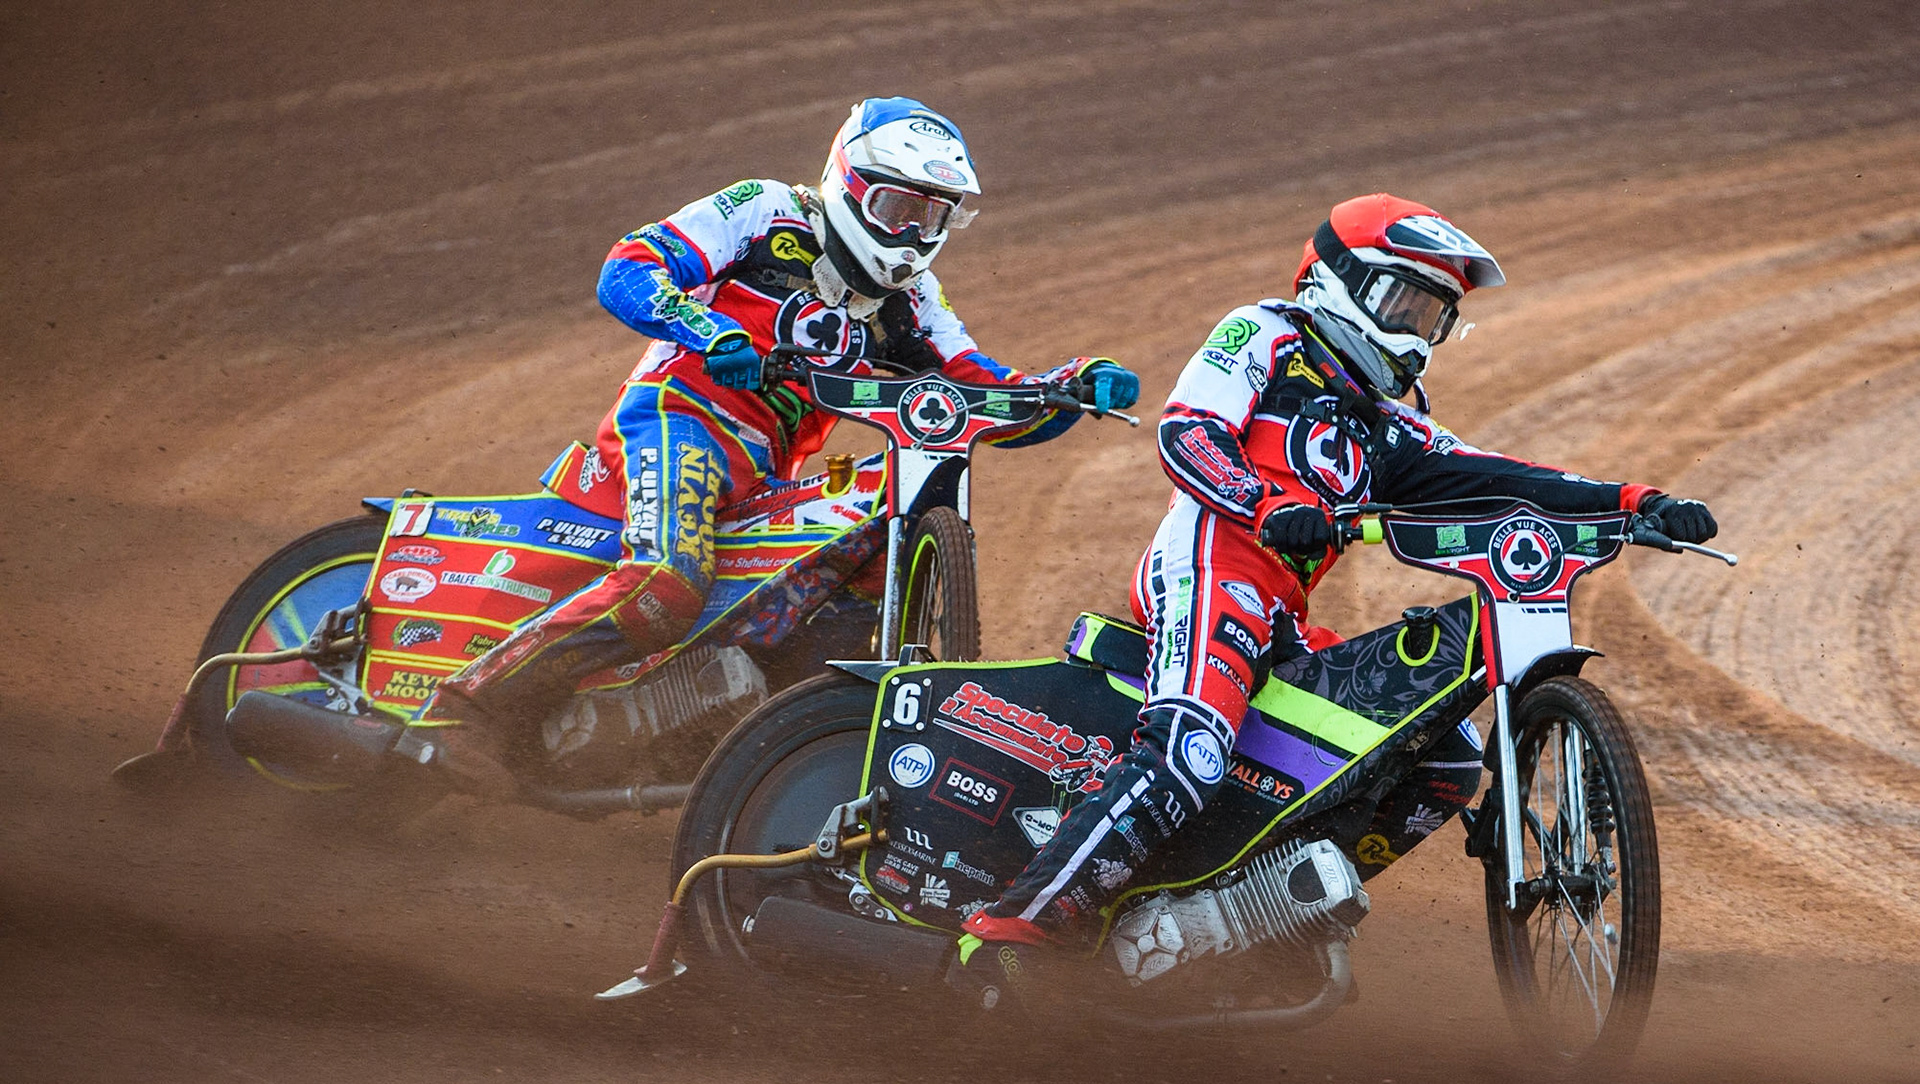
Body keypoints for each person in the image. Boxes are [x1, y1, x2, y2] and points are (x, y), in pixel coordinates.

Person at [961, 193, 1717, 951]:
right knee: (1189, 750)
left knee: (1446, 760)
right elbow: (1186, 433)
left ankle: (1253, 914)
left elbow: (1497, 475)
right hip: (1209, 565)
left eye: (1433, 317)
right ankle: (1015, 926)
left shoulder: (1395, 422)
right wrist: (1262, 504)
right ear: (1336, 279)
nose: (1417, 335)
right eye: (1405, 303)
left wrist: (1632, 502)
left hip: (1280, 614)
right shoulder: (1263, 332)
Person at [409, 98, 1140, 784]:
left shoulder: (913, 298)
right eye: (897, 208)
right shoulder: (767, 210)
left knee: (869, 546)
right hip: (683, 416)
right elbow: (629, 264)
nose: (913, 234)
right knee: (668, 583)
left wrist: (1069, 385)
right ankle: (467, 709)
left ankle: (748, 745)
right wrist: (708, 329)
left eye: (932, 215)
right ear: (850, 185)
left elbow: (978, 387)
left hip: (765, 471)